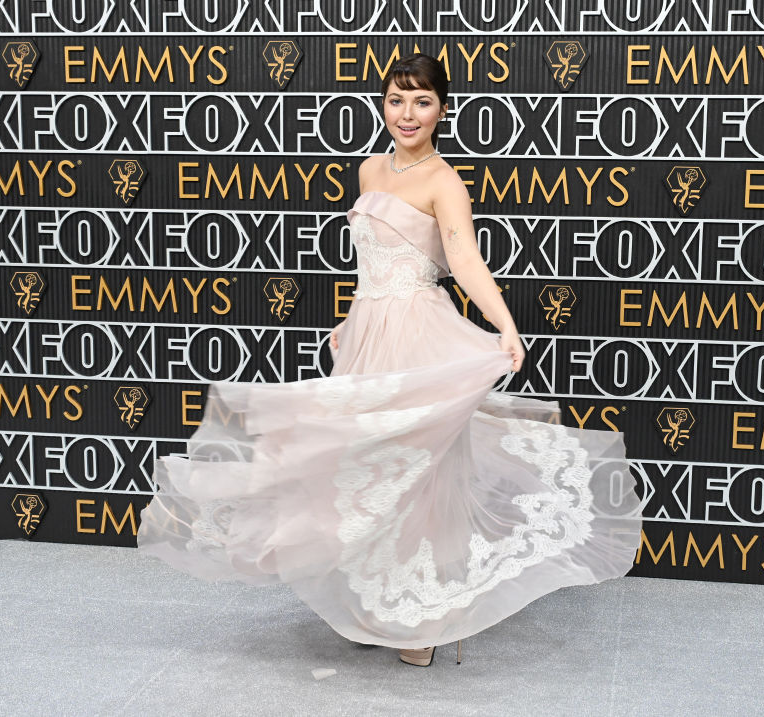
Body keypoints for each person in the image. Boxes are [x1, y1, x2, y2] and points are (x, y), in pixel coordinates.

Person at [137, 53, 643, 668]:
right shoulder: (369, 170)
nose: (408, 114)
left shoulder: (444, 182)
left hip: (417, 330)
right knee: (359, 469)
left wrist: (505, 325)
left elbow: (463, 261)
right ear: (383, 103)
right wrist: (350, 323)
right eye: (397, 99)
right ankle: (371, 602)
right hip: (369, 333)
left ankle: (422, 617)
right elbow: (367, 265)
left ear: (442, 109)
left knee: (420, 471)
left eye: (422, 101)